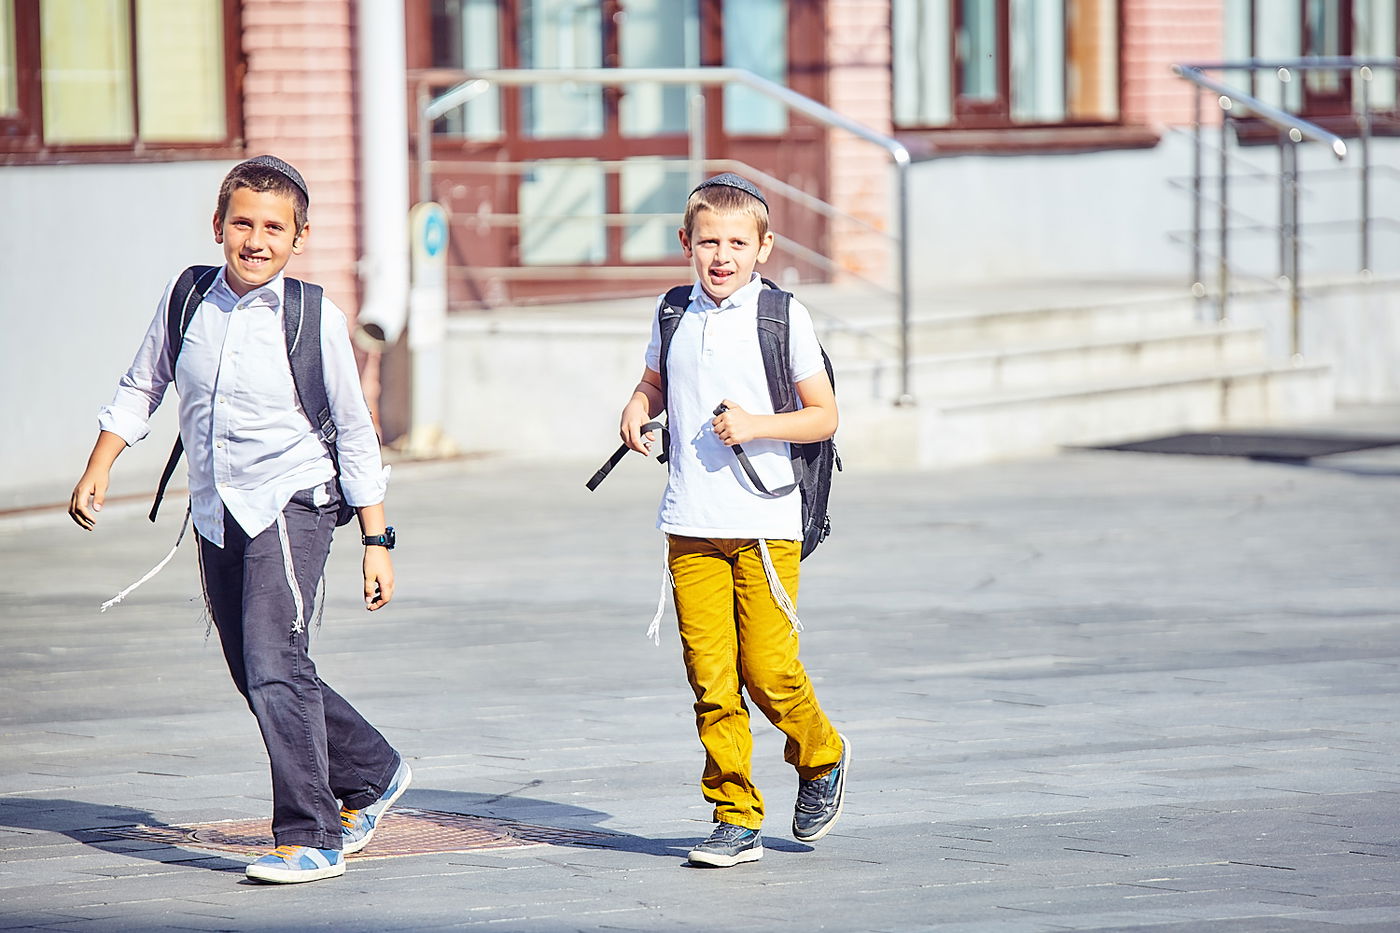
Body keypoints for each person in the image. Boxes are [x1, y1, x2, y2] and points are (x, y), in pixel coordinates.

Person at [68, 155, 411, 885]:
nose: (257, 240)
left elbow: (354, 430)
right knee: (255, 666)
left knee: (273, 662)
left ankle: (311, 834)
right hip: (217, 505)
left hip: (293, 501)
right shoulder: (187, 296)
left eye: (275, 228)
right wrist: (101, 462)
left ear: (299, 237)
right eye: (244, 222)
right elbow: (143, 384)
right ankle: (373, 770)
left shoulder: (313, 317)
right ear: (218, 225)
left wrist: (376, 540)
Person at [617, 173, 850, 868]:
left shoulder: (782, 317)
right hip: (689, 521)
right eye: (709, 241)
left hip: (765, 521)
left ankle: (822, 752)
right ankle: (735, 814)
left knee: (770, 671)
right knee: (712, 679)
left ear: (764, 246)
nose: (722, 255)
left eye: (738, 243)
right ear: (686, 242)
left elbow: (825, 414)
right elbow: (657, 379)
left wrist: (756, 425)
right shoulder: (672, 311)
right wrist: (636, 404)